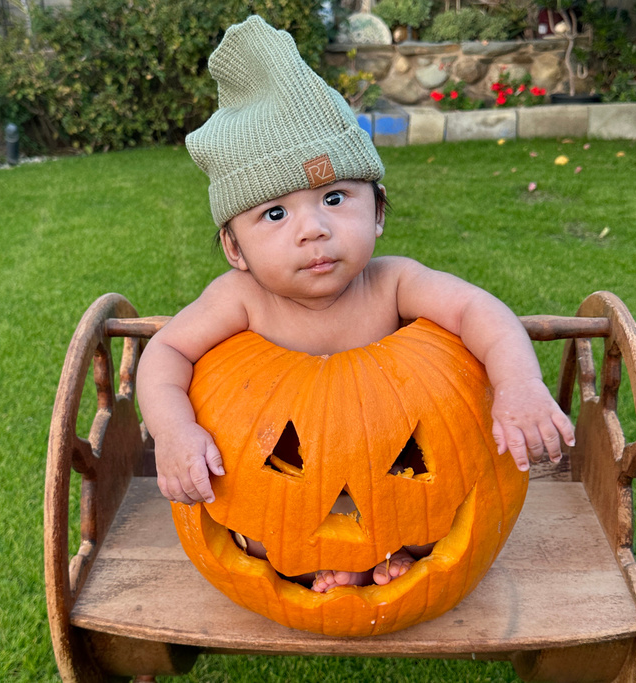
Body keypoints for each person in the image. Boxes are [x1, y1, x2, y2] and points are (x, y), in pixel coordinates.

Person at [135, 15, 574, 593]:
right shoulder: (240, 300)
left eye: (335, 197)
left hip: (387, 471)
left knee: (426, 498)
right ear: (233, 247)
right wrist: (173, 431)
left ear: (379, 211)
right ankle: (330, 562)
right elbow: (165, 351)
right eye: (275, 214)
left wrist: (518, 383)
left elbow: (477, 310)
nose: (313, 229)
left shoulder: (392, 283)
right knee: (256, 513)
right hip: (289, 481)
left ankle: (385, 555)